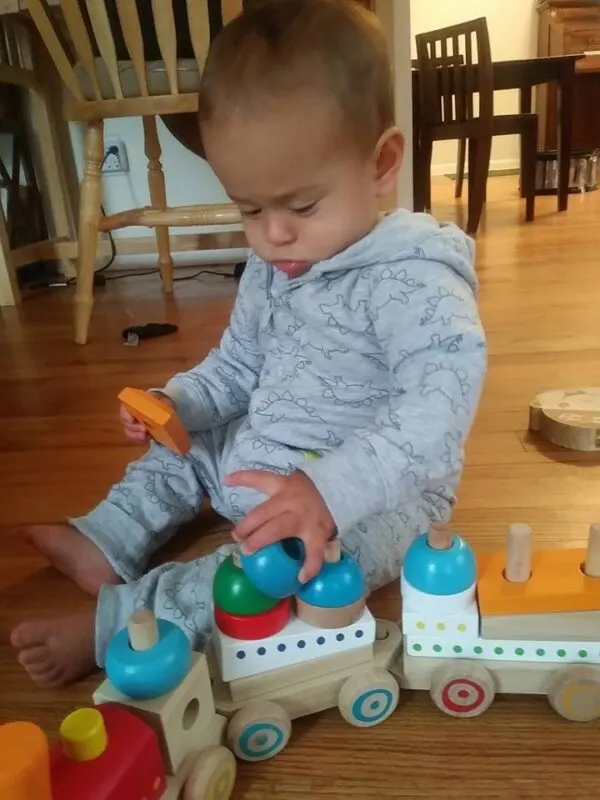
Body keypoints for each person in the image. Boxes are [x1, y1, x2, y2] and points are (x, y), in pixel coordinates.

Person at [10, 0, 487, 687]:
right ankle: (104, 538)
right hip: (268, 454)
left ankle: (123, 624)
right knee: (188, 448)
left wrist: (327, 492)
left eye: (300, 206)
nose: (273, 236)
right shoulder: (276, 264)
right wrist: (176, 402)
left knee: (279, 564)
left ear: (380, 164)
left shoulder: (412, 276)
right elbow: (237, 366)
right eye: (249, 209)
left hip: (375, 498)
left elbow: (437, 413)